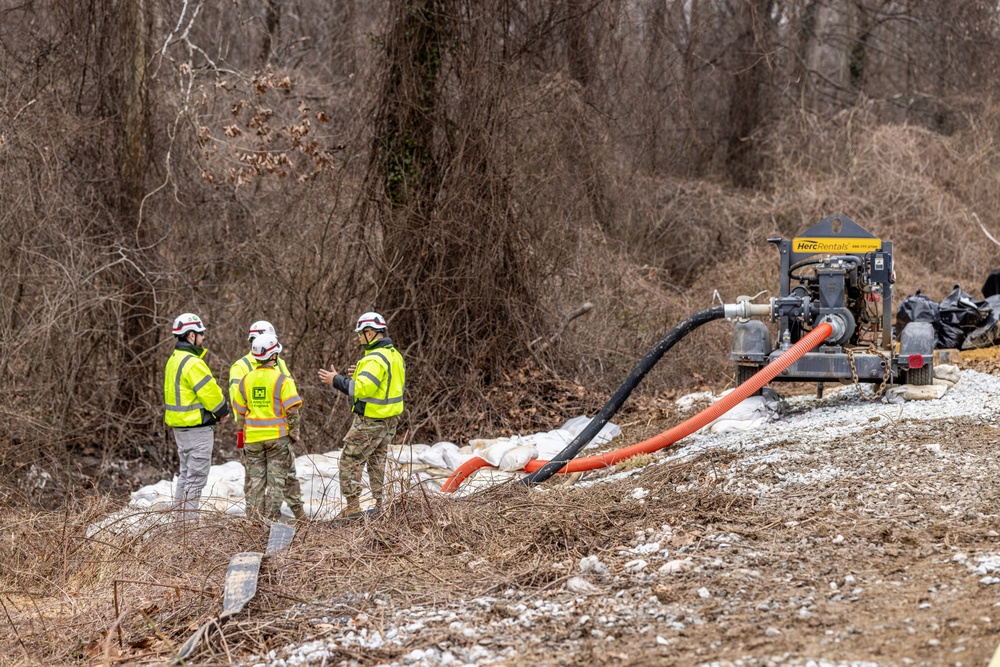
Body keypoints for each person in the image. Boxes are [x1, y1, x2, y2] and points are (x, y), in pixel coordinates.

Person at [318, 311, 405, 517]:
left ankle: (352, 507)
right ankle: (381, 505)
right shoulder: (393, 355)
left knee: (350, 460)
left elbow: (362, 389)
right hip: (388, 421)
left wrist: (336, 380)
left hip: (370, 421)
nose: (359, 338)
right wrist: (357, 373)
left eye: (360, 333)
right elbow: (384, 383)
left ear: (370, 332)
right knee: (377, 463)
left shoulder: (374, 358)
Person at [229, 320, 306, 521]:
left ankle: (253, 522)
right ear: (273, 355)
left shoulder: (246, 379)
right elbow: (292, 411)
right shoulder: (282, 379)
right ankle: (271, 521)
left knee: (255, 482)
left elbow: (240, 411)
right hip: (277, 439)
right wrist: (294, 434)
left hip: (253, 440)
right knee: (276, 483)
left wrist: (241, 435)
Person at [163, 313, 230, 523]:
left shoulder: (174, 360)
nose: (203, 339)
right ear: (191, 335)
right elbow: (210, 393)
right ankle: (188, 529)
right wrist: (222, 411)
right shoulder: (192, 363)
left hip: (180, 428)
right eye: (201, 335)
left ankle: (179, 522)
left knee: (185, 476)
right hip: (197, 428)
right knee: (196, 479)